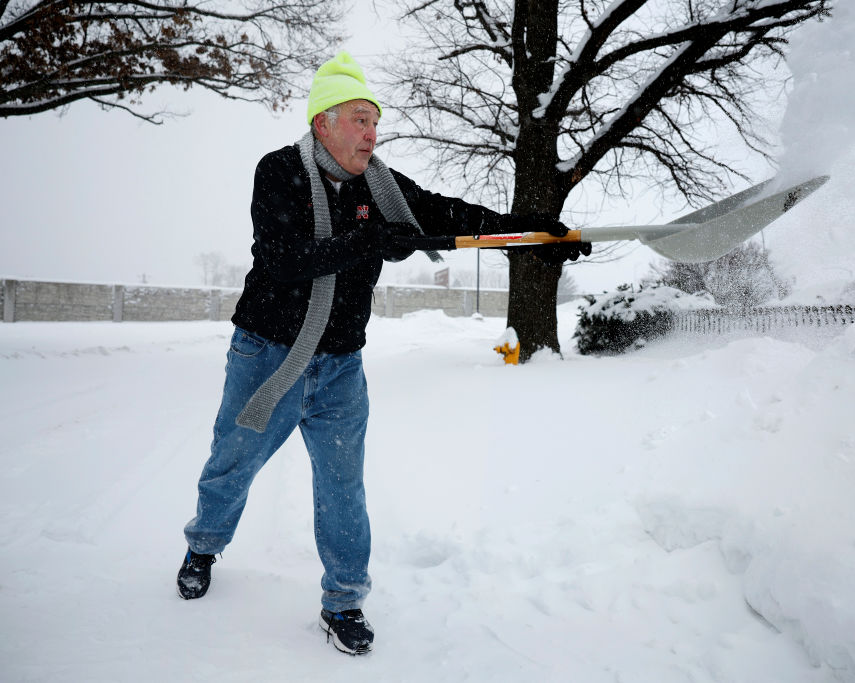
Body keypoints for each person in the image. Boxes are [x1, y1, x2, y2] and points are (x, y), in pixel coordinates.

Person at [176, 51, 588, 655]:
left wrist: (526, 234)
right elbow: (282, 262)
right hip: (269, 355)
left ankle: (344, 600)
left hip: (341, 363)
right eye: (361, 119)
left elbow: (447, 214)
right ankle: (204, 544)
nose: (373, 133)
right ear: (324, 123)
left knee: (344, 486)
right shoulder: (279, 172)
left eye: (376, 120)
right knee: (233, 462)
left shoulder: (382, 186)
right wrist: (364, 242)